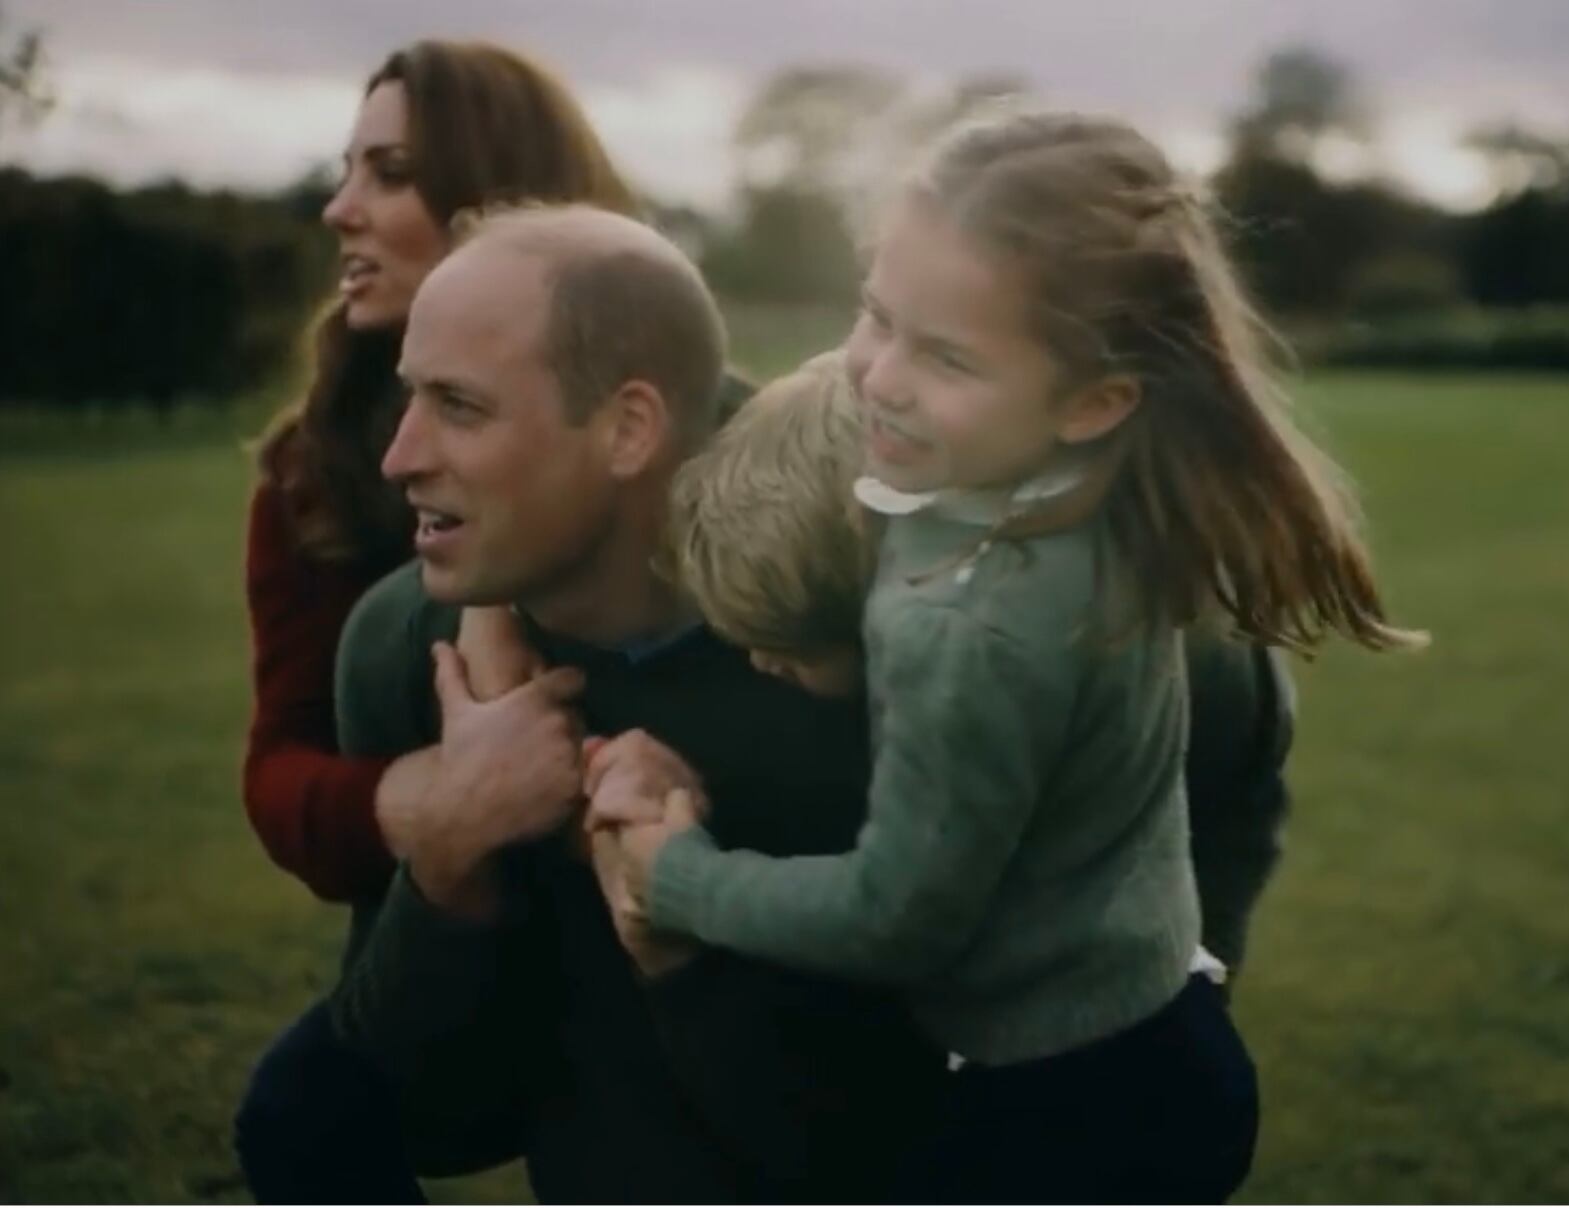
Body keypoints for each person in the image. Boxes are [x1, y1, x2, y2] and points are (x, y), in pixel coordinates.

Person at [594, 110, 1425, 1203]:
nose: (877, 378)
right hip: (1165, 1036)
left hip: (1068, 1114)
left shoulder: (964, 628)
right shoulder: (1087, 483)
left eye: (944, 355)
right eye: (875, 314)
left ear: (1093, 401)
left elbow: (894, 918)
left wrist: (684, 881)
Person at [325, 203, 948, 1202]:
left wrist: (682, 927)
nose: (399, 455)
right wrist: (451, 850)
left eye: (459, 405)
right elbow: (430, 1118)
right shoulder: (406, 648)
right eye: (410, 396)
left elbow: (892, 1151)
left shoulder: (850, 659)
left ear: (628, 428)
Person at [235, 39, 641, 1203]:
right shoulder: (315, 474)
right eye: (345, 168)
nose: (339, 208)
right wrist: (431, 801)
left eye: (390, 172)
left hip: (658, 918)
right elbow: (280, 771)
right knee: (301, 1113)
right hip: (458, 940)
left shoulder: (660, 420)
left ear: (494, 199)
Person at [662, 350, 1295, 976]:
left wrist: (677, 877)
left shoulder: (1036, 668)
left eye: (796, 651)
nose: (759, 662)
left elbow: (900, 913)